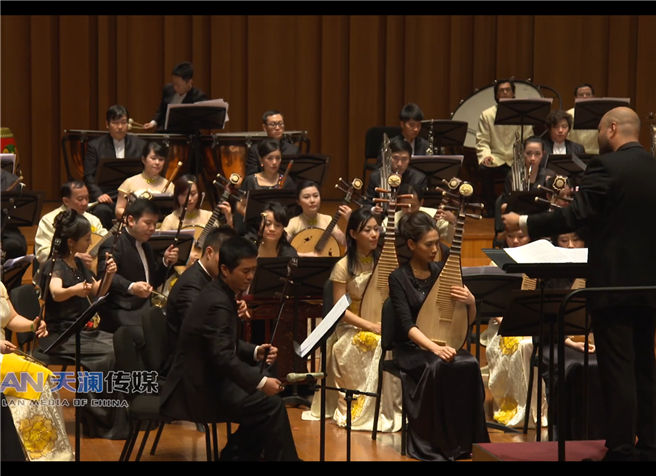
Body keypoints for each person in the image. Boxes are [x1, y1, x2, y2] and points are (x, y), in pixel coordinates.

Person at [502, 106, 656, 461]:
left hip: (612, 288)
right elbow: (609, 220)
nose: (597, 136)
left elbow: (576, 216)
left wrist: (524, 222)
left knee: (618, 370)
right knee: (645, 367)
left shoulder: (605, 166)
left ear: (612, 128)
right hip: (649, 288)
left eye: (600, 130)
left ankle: (621, 450)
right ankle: (649, 445)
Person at [160, 236, 299, 461]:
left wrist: (255, 351)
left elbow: (220, 342)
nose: (251, 276)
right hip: (199, 388)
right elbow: (222, 356)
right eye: (245, 271)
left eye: (253, 270)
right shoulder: (217, 302)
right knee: (270, 405)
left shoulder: (220, 293)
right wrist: (260, 382)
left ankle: (235, 454)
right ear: (225, 269)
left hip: (209, 376)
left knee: (265, 389)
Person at [388, 211, 489, 460]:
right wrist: (434, 348)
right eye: (428, 244)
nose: (435, 249)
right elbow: (407, 325)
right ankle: (435, 444)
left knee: (469, 362)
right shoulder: (398, 278)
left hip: (441, 343)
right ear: (412, 245)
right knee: (437, 365)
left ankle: (466, 442)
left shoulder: (442, 272)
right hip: (410, 349)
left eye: (437, 243)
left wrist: (471, 302)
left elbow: (467, 321)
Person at [302, 206, 403, 432]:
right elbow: (340, 310)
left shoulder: (385, 262)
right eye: (367, 230)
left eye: (376, 229)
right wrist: (370, 326)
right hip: (351, 327)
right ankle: (363, 410)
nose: (374, 234)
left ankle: (388, 409)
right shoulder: (342, 266)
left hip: (380, 324)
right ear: (354, 234)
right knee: (375, 345)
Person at [36, 209, 129, 439]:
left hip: (83, 331)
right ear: (71, 241)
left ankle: (110, 416)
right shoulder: (55, 264)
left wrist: (109, 275)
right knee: (110, 353)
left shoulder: (77, 262)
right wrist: (74, 290)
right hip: (62, 335)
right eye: (86, 239)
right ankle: (97, 418)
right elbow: (56, 292)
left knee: (122, 344)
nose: (90, 242)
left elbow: (98, 291)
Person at [482, 227, 549, 430]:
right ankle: (515, 406)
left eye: (521, 236)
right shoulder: (497, 262)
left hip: (536, 322)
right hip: (503, 323)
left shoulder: (543, 260)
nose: (516, 241)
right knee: (513, 345)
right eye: (511, 236)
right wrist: (506, 318)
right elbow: (493, 301)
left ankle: (539, 408)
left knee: (528, 344)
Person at [164, 226, 239, 375]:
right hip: (188, 368)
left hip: (207, 356)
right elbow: (200, 332)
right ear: (210, 252)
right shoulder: (190, 285)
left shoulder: (210, 278)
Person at [97, 198, 178, 334]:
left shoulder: (146, 245)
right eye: (148, 223)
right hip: (122, 310)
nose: (152, 228)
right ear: (130, 220)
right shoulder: (113, 244)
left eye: (155, 223)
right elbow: (104, 277)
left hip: (145, 307)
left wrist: (166, 262)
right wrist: (131, 287)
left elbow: (152, 282)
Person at [1, 280, 48, 461]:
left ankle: (37, 452)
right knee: (31, 381)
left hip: (3, 354)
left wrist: (32, 325)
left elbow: (11, 318)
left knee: (41, 378)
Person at [476, 79, 534, 214]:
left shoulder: (522, 114)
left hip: (517, 158)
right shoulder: (487, 115)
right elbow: (482, 140)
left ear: (513, 93)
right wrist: (486, 156)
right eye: (501, 90)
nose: (505, 92)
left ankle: (519, 207)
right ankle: (490, 207)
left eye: (508, 90)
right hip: (496, 157)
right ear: (496, 95)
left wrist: (526, 156)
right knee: (484, 169)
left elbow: (529, 138)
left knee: (525, 170)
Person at [84, 104, 146, 229]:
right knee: (102, 211)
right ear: (107, 124)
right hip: (107, 196)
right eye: (115, 123)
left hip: (132, 196)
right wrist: (99, 194)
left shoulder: (140, 144)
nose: (120, 127)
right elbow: (88, 176)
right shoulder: (95, 146)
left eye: (123, 122)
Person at [34, 181, 107, 268]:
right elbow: (42, 253)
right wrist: (71, 257)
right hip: (58, 270)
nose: (85, 203)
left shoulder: (93, 219)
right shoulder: (48, 220)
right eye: (80, 199)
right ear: (66, 201)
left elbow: (106, 240)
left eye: (87, 198)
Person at [285, 180, 351, 254]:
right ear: (298, 201)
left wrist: (350, 220)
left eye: (316, 196)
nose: (312, 200)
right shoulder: (294, 222)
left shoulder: (327, 219)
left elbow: (345, 242)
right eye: (306, 197)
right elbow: (281, 246)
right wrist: (303, 255)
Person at [143, 62, 208, 132]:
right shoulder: (168, 89)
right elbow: (161, 110)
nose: (175, 87)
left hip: (184, 135)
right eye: (174, 83)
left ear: (189, 82)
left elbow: (198, 122)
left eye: (178, 85)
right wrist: (152, 123)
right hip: (164, 132)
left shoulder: (198, 97)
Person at [114, 141, 173, 220]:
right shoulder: (129, 182)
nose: (157, 162)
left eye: (161, 159)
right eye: (153, 158)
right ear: (143, 159)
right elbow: (118, 210)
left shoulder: (170, 185)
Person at [366, 135, 427, 205]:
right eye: (395, 158)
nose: (399, 164)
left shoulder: (418, 179)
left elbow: (421, 206)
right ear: (388, 158)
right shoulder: (376, 177)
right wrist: (374, 209)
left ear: (409, 160)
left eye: (404, 159)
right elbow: (367, 204)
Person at [245, 110, 300, 176]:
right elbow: (251, 177)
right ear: (264, 127)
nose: (277, 128)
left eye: (280, 123)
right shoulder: (255, 150)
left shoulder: (293, 150)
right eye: (273, 124)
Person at [375, 103, 429, 167]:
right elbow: (380, 168)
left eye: (419, 125)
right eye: (412, 125)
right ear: (402, 124)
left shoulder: (425, 145)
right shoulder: (389, 145)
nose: (416, 129)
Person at [566, 83, 599, 155]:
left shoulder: (600, 114)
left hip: (596, 153)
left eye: (588, 94)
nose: (585, 97)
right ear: (575, 98)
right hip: (575, 153)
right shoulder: (568, 114)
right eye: (581, 95)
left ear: (593, 97)